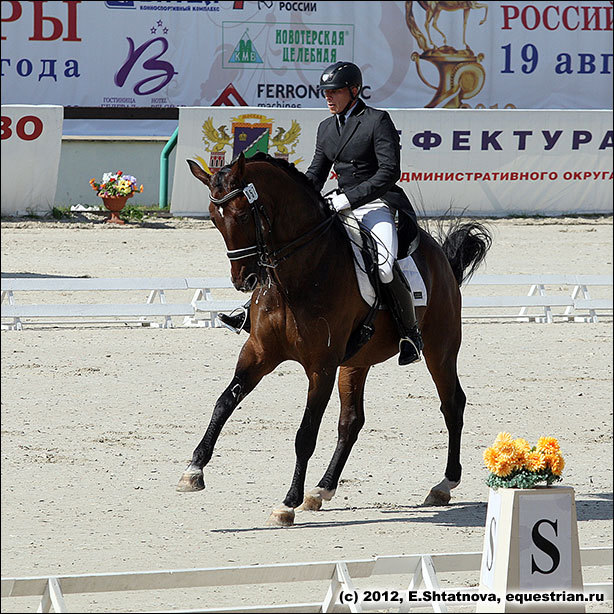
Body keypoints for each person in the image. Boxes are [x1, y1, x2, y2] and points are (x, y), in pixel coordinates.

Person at [219, 61, 423, 365]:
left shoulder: (377, 121)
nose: (328, 98)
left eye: (335, 92)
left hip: (377, 203)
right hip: (336, 203)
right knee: (287, 248)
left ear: (354, 91)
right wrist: (299, 202)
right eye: (326, 92)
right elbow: (315, 174)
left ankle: (410, 333)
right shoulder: (327, 127)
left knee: (383, 265)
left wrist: (348, 198)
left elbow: (389, 172)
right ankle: (251, 309)